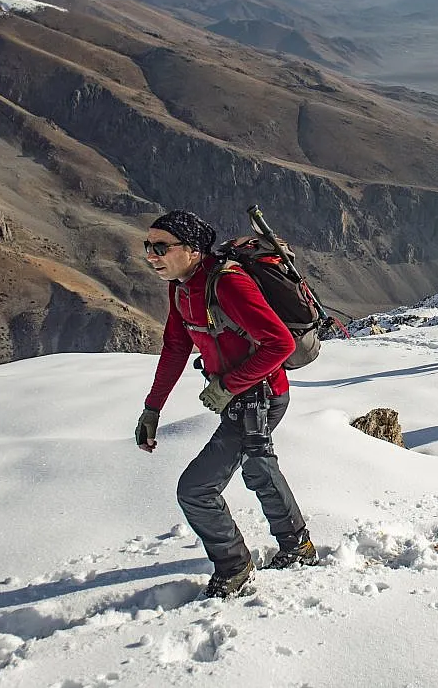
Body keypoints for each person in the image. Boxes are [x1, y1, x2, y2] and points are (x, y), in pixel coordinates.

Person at [134, 210, 316, 599]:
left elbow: (280, 344)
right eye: (148, 246)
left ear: (193, 249)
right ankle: (297, 546)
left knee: (196, 489)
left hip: (261, 396)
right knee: (258, 468)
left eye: (161, 246)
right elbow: (176, 346)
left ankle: (234, 566)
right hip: (246, 395)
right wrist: (153, 409)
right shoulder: (181, 285)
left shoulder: (229, 284)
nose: (151, 255)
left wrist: (227, 386)